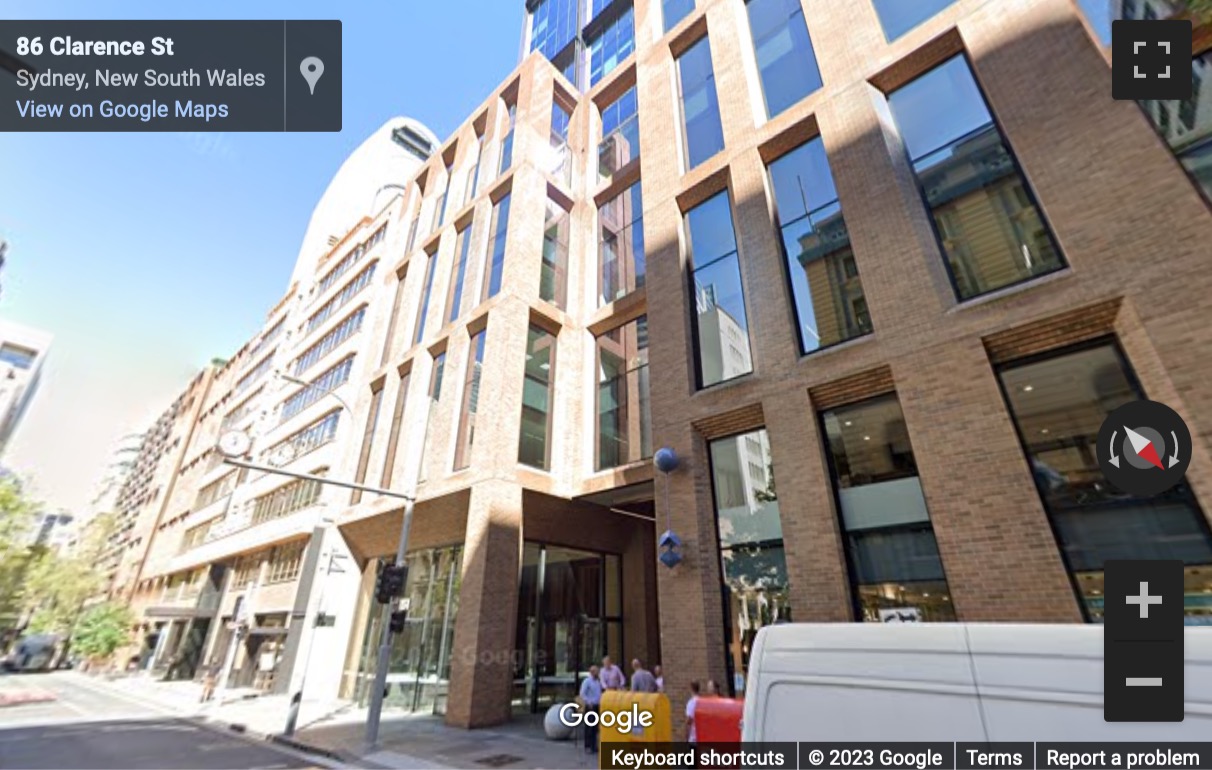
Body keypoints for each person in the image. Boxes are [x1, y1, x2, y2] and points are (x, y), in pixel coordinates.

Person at [578, 665, 603, 754]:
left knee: (595, 727)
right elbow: (582, 694)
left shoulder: (598, 681)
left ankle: (593, 745)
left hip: (597, 705)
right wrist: (589, 702)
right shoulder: (587, 682)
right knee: (589, 726)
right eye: (596, 671)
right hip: (590, 706)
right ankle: (588, 746)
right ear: (592, 672)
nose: (598, 673)